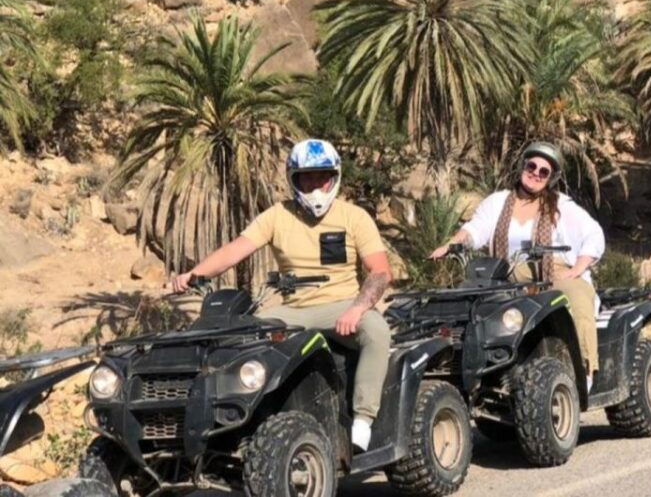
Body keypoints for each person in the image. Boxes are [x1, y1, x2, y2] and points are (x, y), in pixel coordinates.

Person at [172, 139, 392, 451]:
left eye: (322, 178)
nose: (315, 186)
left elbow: (381, 272)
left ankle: (363, 419)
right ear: (294, 179)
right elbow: (237, 248)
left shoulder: (354, 217)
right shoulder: (277, 216)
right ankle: (234, 418)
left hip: (342, 305)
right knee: (242, 335)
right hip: (292, 310)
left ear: (334, 178)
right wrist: (195, 274)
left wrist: (357, 309)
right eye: (307, 178)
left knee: (377, 332)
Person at [430, 141, 606, 392]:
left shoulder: (561, 206)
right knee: (463, 302)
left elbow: (593, 234)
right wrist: (453, 244)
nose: (536, 173)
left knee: (578, 297)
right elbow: (475, 229)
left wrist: (578, 268)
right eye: (531, 166)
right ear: (522, 166)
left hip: (551, 271)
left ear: (551, 178)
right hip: (504, 274)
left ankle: (584, 370)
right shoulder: (498, 202)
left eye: (544, 171)